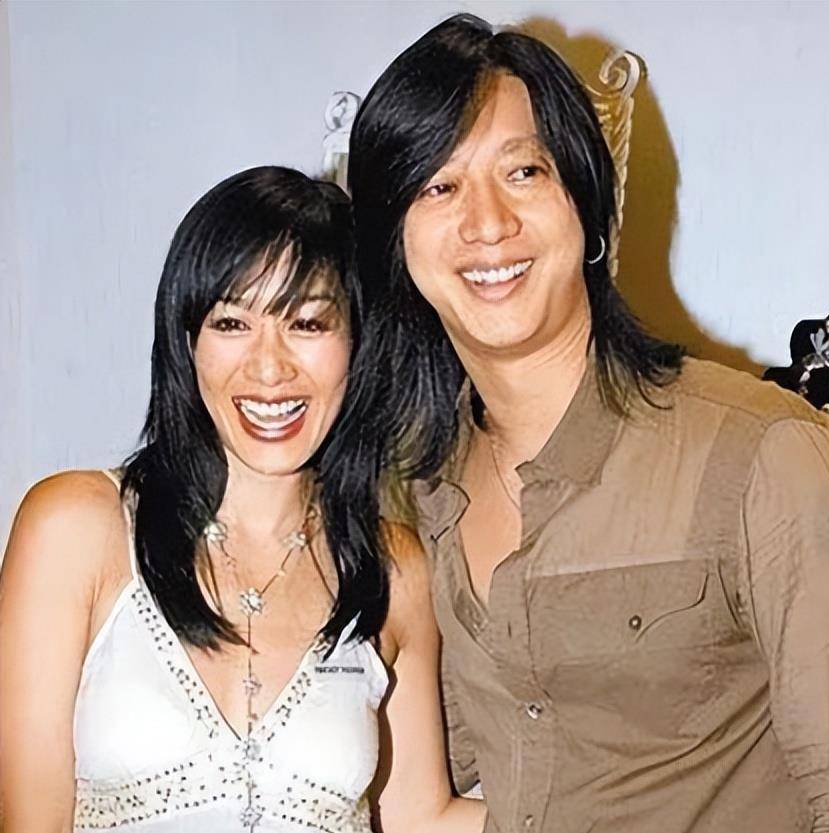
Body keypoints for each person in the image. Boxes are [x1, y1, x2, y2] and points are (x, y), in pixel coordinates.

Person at [346, 14, 829, 833]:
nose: (487, 223)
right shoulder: (415, 501)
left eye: (523, 172)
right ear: (396, 245)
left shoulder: (766, 455)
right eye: (438, 187)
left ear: (584, 204)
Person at [0, 166, 485, 833]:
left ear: (356, 344)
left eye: (308, 323)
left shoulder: (393, 568)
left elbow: (420, 819)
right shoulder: (76, 526)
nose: (269, 366)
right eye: (232, 322)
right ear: (187, 341)